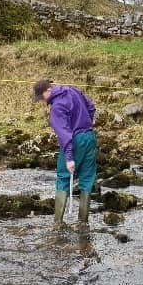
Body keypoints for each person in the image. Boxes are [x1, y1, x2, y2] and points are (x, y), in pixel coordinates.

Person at [33, 79, 97, 228]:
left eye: (42, 97)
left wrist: (69, 158)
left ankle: (58, 223)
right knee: (87, 178)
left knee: (63, 177)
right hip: (89, 136)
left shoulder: (57, 107)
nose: (43, 101)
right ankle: (82, 223)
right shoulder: (73, 90)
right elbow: (91, 107)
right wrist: (86, 124)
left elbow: (64, 134)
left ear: (48, 90)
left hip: (75, 140)